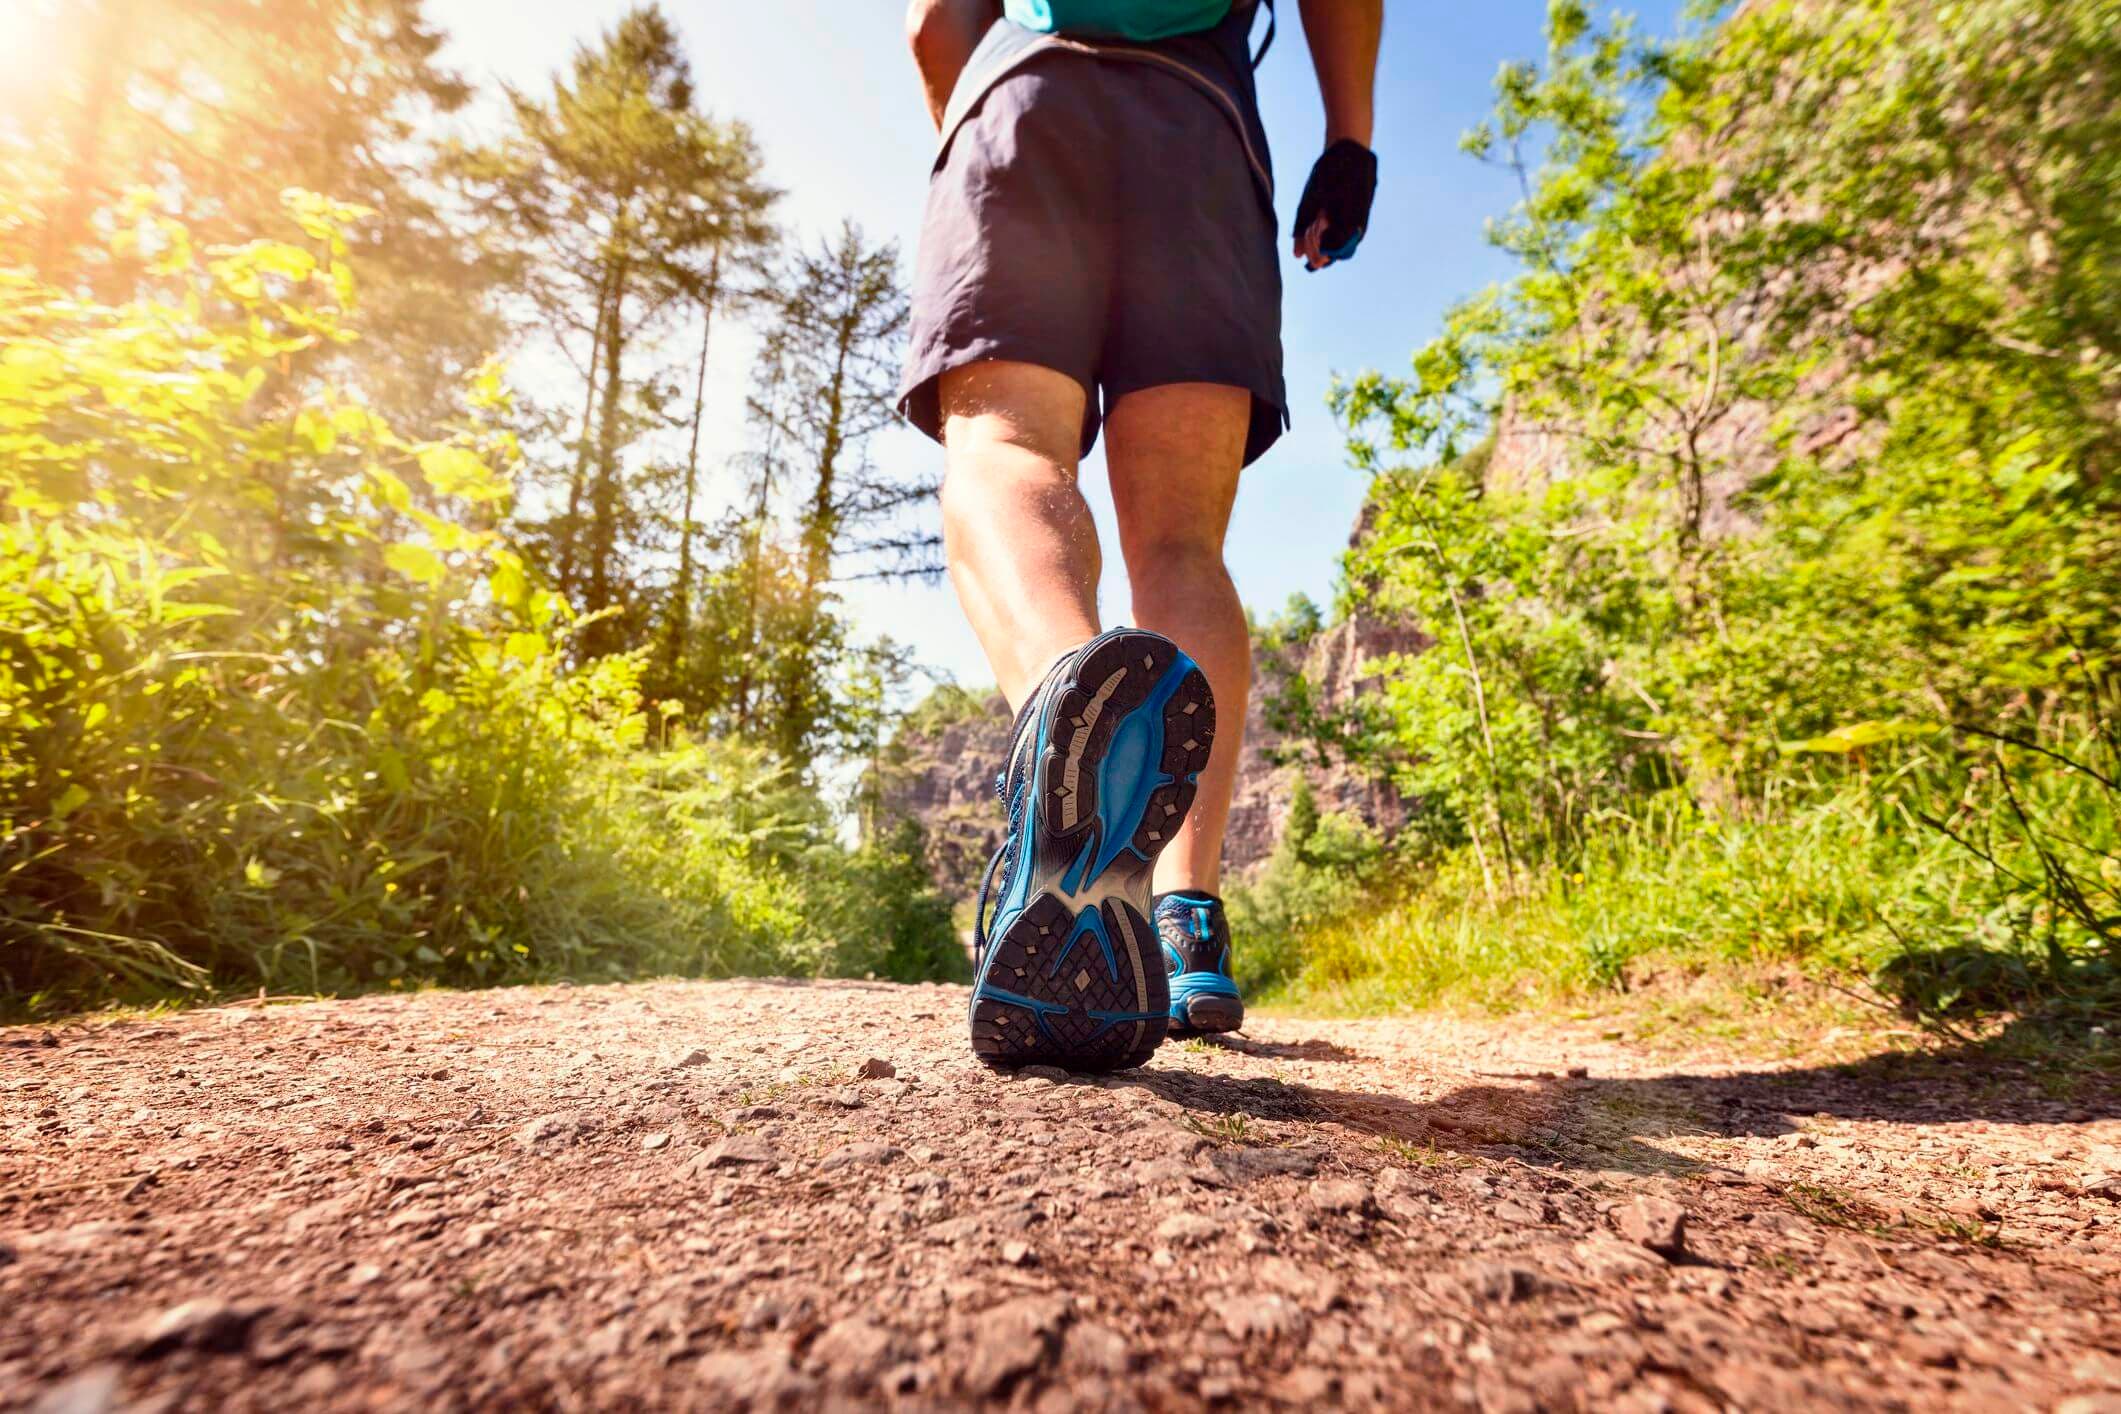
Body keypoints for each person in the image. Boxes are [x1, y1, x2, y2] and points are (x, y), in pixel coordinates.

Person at [900, 0, 1382, 1070]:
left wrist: (963, 141)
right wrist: (1350, 136)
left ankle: (1068, 716)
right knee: (1180, 547)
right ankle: (1186, 919)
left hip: (1022, 103)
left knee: (1007, 453)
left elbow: (936, 24)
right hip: (1199, 132)